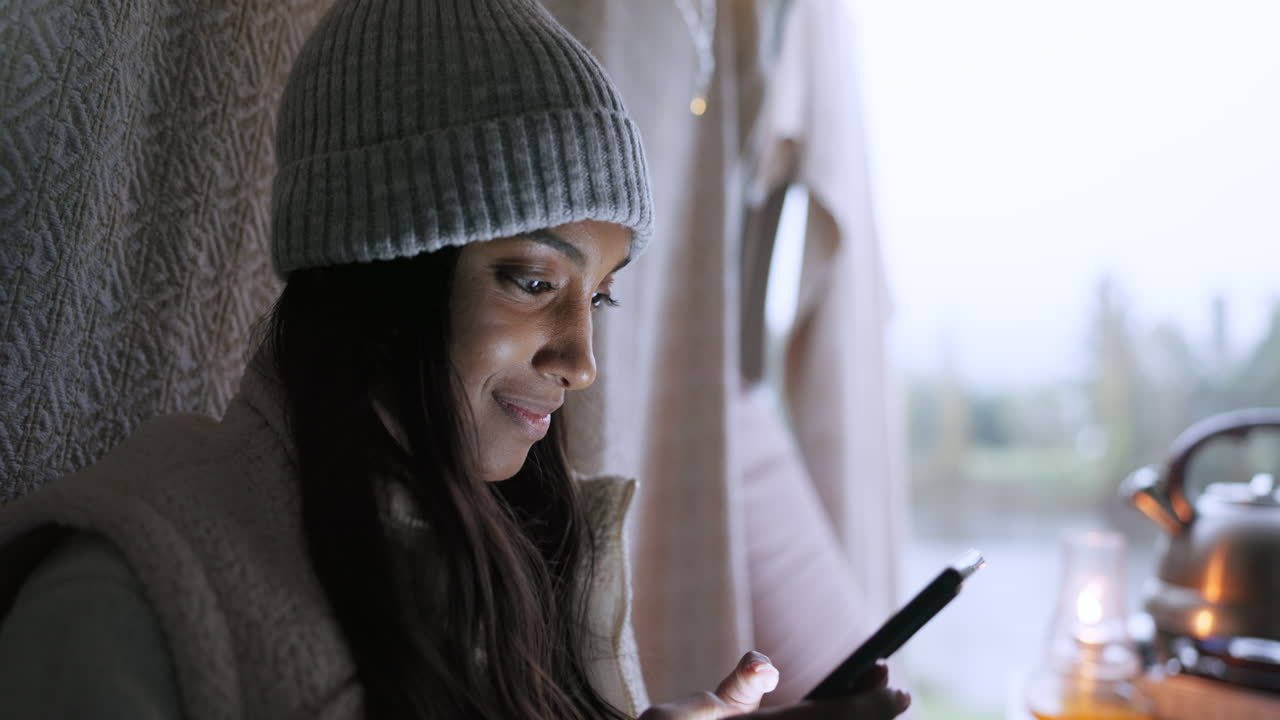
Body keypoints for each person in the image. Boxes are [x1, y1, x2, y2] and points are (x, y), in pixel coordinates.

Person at [0, 1, 910, 718]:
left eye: (599, 295)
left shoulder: (550, 558)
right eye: (528, 279)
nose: (581, 360)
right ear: (378, 267)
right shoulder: (129, 603)